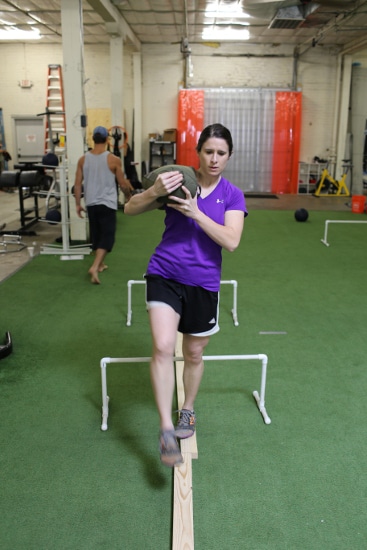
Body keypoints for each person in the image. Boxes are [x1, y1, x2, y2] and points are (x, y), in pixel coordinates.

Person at [124, 123, 247, 467]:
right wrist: (152, 192)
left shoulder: (232, 195)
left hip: (204, 283)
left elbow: (231, 240)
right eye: (208, 151)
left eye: (221, 153)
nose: (214, 159)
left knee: (193, 353)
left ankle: (187, 410)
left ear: (229, 156)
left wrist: (196, 213)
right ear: (198, 152)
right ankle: (165, 429)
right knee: (163, 346)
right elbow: (130, 209)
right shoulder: (179, 180)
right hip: (165, 272)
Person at [74, 126, 133, 284]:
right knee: (107, 237)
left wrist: (78, 204)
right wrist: (128, 196)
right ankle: (94, 267)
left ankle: (101, 264)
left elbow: (77, 185)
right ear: (108, 139)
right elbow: (122, 183)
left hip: (91, 203)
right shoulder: (114, 159)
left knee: (97, 235)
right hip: (107, 203)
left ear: (93, 139)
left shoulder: (83, 159)